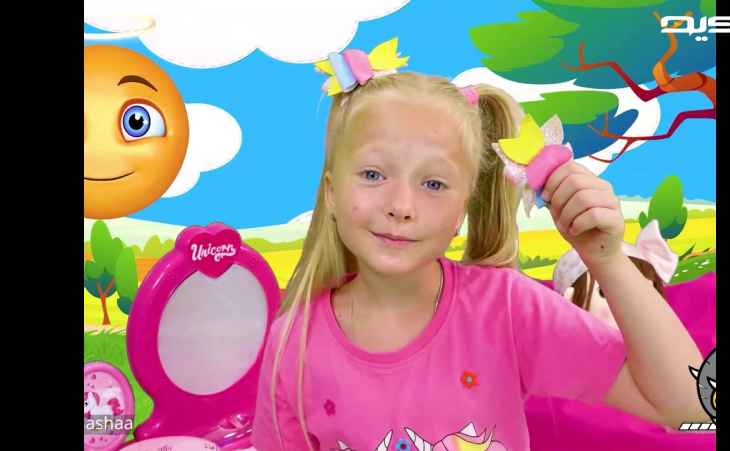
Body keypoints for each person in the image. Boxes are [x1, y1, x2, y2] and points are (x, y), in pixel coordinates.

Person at [251, 38, 707, 451]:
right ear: (331, 192)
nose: (401, 205)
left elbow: (693, 407)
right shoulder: (294, 343)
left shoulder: (506, 309)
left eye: (433, 184)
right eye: (373, 174)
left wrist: (606, 259)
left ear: (462, 210)